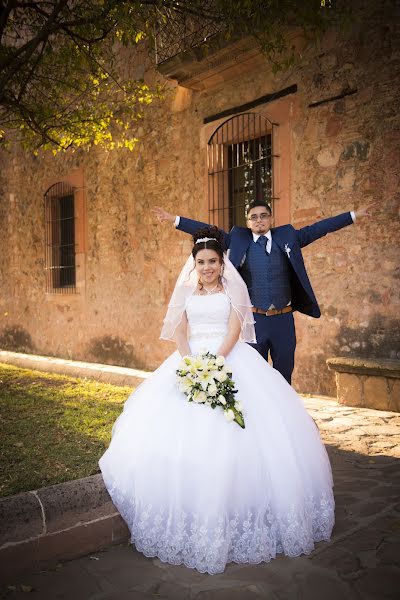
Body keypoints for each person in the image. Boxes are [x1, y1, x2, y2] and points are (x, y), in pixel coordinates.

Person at [99, 227, 335, 575]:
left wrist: (215, 363)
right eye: (201, 262)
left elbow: (234, 330)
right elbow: (179, 328)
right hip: (189, 360)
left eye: (212, 261)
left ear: (222, 263)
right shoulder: (184, 290)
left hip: (228, 359)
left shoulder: (234, 290)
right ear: (193, 264)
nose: (207, 267)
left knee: (246, 432)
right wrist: (189, 361)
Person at [153, 202, 374, 384]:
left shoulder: (288, 236)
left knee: (284, 374)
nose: (259, 220)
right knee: (255, 379)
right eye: (254, 217)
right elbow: (205, 229)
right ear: (248, 222)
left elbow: (319, 228)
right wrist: (175, 220)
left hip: (283, 319)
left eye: (263, 216)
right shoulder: (238, 239)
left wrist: (353, 215)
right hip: (255, 320)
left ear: (270, 219)